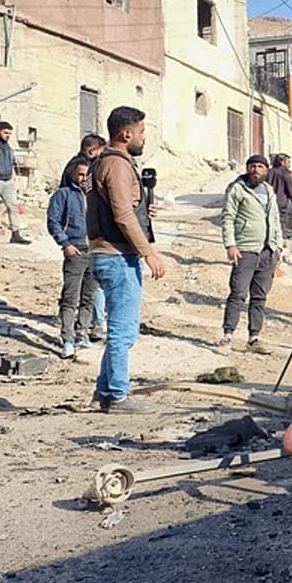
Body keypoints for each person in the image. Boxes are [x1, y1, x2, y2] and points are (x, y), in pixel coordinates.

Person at [86, 105, 166, 414]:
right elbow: (121, 213)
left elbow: (120, 208)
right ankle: (119, 395)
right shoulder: (117, 164)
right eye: (142, 132)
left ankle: (104, 392)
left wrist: (143, 211)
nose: (144, 138)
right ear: (126, 133)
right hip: (117, 257)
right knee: (122, 329)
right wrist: (149, 252)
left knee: (123, 328)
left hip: (106, 253)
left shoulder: (102, 163)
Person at [220, 154, 282, 353]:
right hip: (245, 249)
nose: (256, 170)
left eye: (260, 167)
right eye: (252, 166)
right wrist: (230, 244)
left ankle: (254, 338)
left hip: (267, 251)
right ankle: (227, 336)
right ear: (247, 169)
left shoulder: (269, 191)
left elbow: (275, 220)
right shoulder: (238, 189)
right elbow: (228, 217)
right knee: (238, 294)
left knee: (259, 297)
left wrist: (278, 245)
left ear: (267, 170)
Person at [47, 160, 99, 359]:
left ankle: (82, 334)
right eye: (80, 174)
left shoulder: (97, 197)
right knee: (70, 298)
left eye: (87, 175)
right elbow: (54, 222)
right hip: (75, 251)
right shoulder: (63, 195)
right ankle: (67, 339)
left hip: (95, 252)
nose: (84, 179)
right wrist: (65, 244)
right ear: (73, 175)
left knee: (89, 297)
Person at [64, 134, 110, 340]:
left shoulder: (73, 166)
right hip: (81, 239)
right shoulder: (84, 169)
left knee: (86, 288)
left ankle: (84, 322)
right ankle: (94, 323)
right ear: (92, 151)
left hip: (83, 238)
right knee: (87, 287)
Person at [265, 152, 292, 240]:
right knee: (280, 229)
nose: (289, 165)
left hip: (267, 204)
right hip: (281, 205)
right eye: (288, 162)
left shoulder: (269, 172)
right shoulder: (286, 174)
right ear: (282, 162)